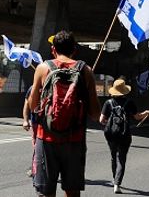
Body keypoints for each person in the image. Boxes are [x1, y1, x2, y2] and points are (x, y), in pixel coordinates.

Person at [29, 30, 101, 197]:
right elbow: (95, 113)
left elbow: (33, 106)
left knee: (46, 192)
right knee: (72, 192)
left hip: (46, 138)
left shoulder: (42, 68)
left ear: (53, 49)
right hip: (74, 140)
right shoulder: (85, 70)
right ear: (74, 49)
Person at [99, 78, 149, 194]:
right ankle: (117, 184)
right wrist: (146, 113)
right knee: (121, 158)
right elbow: (137, 117)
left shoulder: (108, 103)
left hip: (110, 134)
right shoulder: (129, 102)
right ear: (124, 91)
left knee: (113, 156)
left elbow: (101, 120)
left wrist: (110, 124)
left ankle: (114, 178)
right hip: (124, 134)